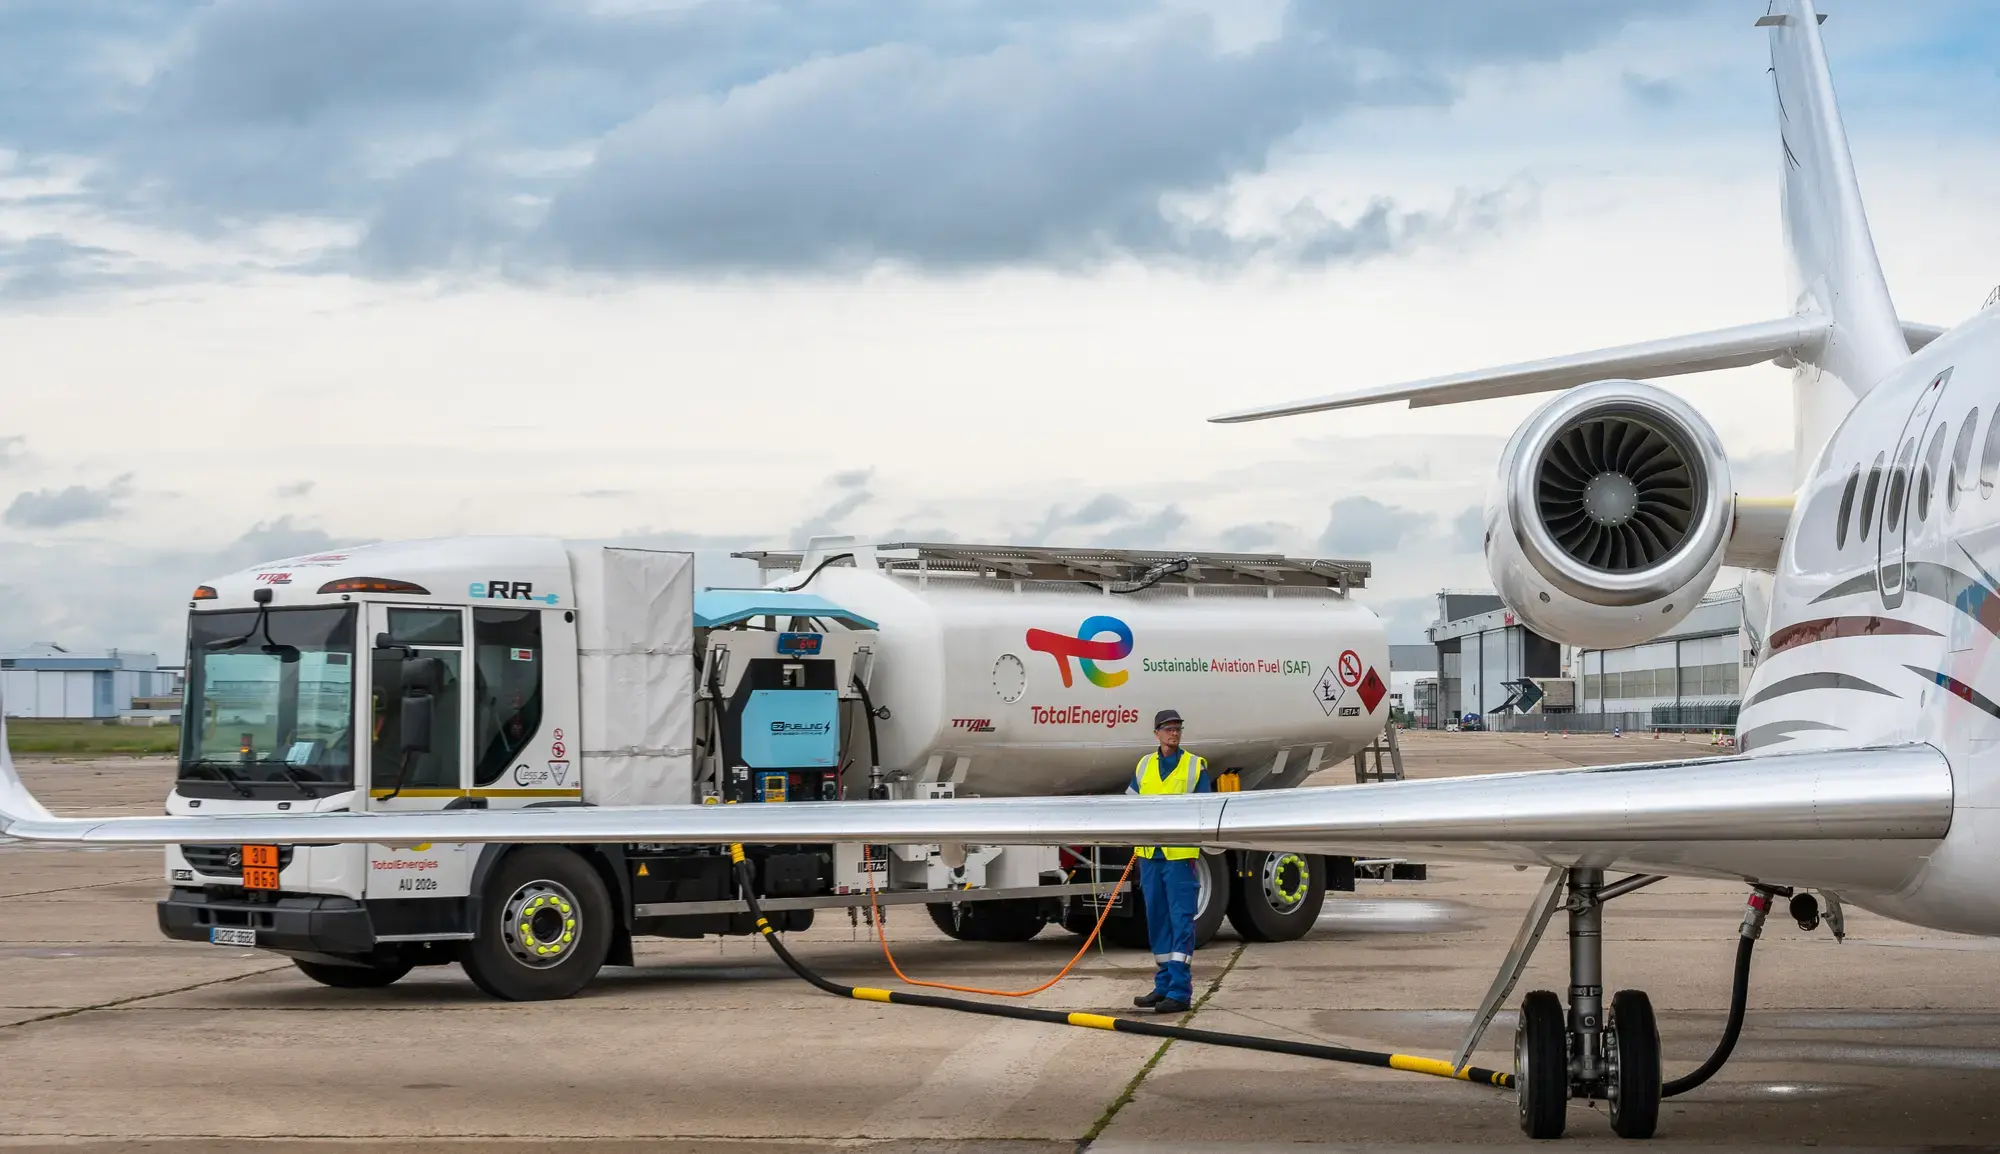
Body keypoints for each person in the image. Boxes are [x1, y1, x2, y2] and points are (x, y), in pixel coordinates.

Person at [1127, 708, 1212, 1013]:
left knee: (1180, 921)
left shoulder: (1194, 766)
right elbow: (1130, 804)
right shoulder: (1144, 765)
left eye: (1177, 728)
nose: (1174, 733)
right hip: (1151, 856)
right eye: (1168, 729)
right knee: (1157, 920)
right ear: (1157, 734)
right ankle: (1163, 985)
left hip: (1178, 856)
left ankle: (1179, 991)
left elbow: (1204, 809)